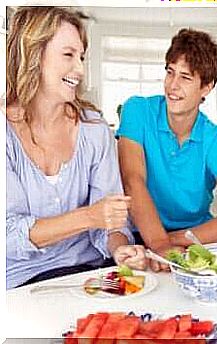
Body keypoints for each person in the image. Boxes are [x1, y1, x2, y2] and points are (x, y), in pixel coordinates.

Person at [6, 7, 146, 289]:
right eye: (68, 55)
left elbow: (111, 221)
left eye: (81, 57)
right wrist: (88, 216)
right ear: (33, 55)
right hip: (20, 284)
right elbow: (7, 237)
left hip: (89, 273)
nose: (80, 70)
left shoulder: (94, 128)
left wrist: (120, 249)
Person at [117, 28, 217, 271]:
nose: (172, 85)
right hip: (142, 235)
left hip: (193, 238)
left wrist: (175, 240)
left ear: (206, 87)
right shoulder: (137, 111)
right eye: (170, 72)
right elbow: (132, 181)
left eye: (186, 77)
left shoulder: (213, 138)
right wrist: (158, 243)